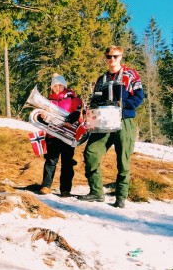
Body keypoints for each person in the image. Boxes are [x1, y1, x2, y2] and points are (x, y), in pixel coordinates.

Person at [80, 45, 145, 208]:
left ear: (121, 56)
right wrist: (90, 114)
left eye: (115, 56)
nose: (112, 59)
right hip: (103, 122)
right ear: (106, 58)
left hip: (124, 121)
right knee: (91, 153)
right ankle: (96, 191)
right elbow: (95, 100)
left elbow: (139, 97)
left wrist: (123, 106)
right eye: (109, 56)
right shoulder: (101, 79)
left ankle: (121, 196)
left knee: (123, 159)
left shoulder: (130, 75)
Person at [38, 74, 83, 197]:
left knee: (67, 163)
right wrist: (42, 117)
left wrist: (69, 121)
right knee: (51, 161)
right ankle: (46, 185)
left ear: (64, 86)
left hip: (68, 135)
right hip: (53, 135)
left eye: (60, 86)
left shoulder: (74, 99)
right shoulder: (48, 101)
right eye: (55, 86)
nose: (57, 88)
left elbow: (77, 113)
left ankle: (65, 190)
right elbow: (41, 120)